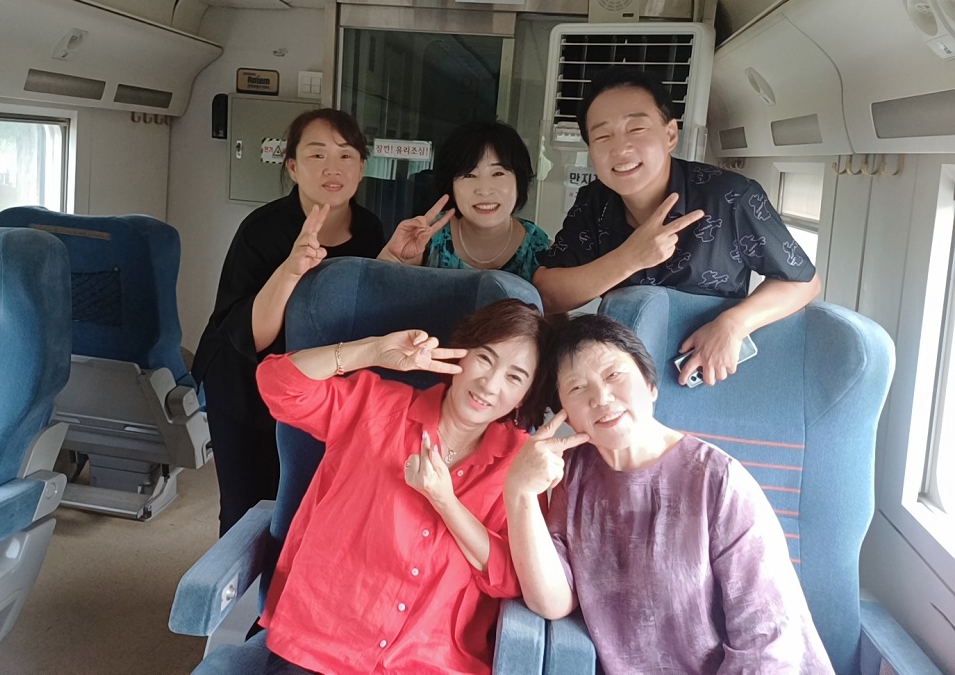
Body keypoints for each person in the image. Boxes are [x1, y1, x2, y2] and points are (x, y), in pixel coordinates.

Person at [503, 314, 834, 674]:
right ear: (567, 415)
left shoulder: (718, 481)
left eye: (614, 375)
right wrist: (519, 493)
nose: (601, 397)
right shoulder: (573, 474)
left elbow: (769, 643)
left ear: (650, 385)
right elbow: (553, 601)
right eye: (577, 388)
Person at [251, 297, 550, 674]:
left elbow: (512, 576)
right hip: (321, 645)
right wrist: (371, 350)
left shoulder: (520, 465)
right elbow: (278, 385)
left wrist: (445, 502)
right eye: (485, 359)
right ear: (461, 353)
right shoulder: (375, 407)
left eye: (514, 377)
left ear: (526, 395)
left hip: (428, 662)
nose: (490, 385)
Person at [533, 69, 820, 386]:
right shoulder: (594, 202)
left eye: (636, 129)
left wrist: (734, 324)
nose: (620, 148)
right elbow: (547, 293)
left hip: (707, 373)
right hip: (624, 380)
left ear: (670, 135)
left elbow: (802, 281)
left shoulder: (730, 196)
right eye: (602, 136)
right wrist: (629, 258)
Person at [192, 108, 385, 535]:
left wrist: (393, 262)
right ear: (294, 168)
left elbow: (363, 308)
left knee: (309, 507)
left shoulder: (371, 230)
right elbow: (253, 336)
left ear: (361, 168)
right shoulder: (261, 231)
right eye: (317, 155)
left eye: (346, 155)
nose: (333, 168)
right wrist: (290, 270)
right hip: (245, 382)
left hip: (319, 387)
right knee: (248, 508)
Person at [379, 121, 550, 282]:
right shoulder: (427, 237)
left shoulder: (539, 248)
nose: (484, 190)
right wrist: (392, 258)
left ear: (520, 181)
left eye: (498, 173)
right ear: (451, 184)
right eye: (469, 175)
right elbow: (377, 294)